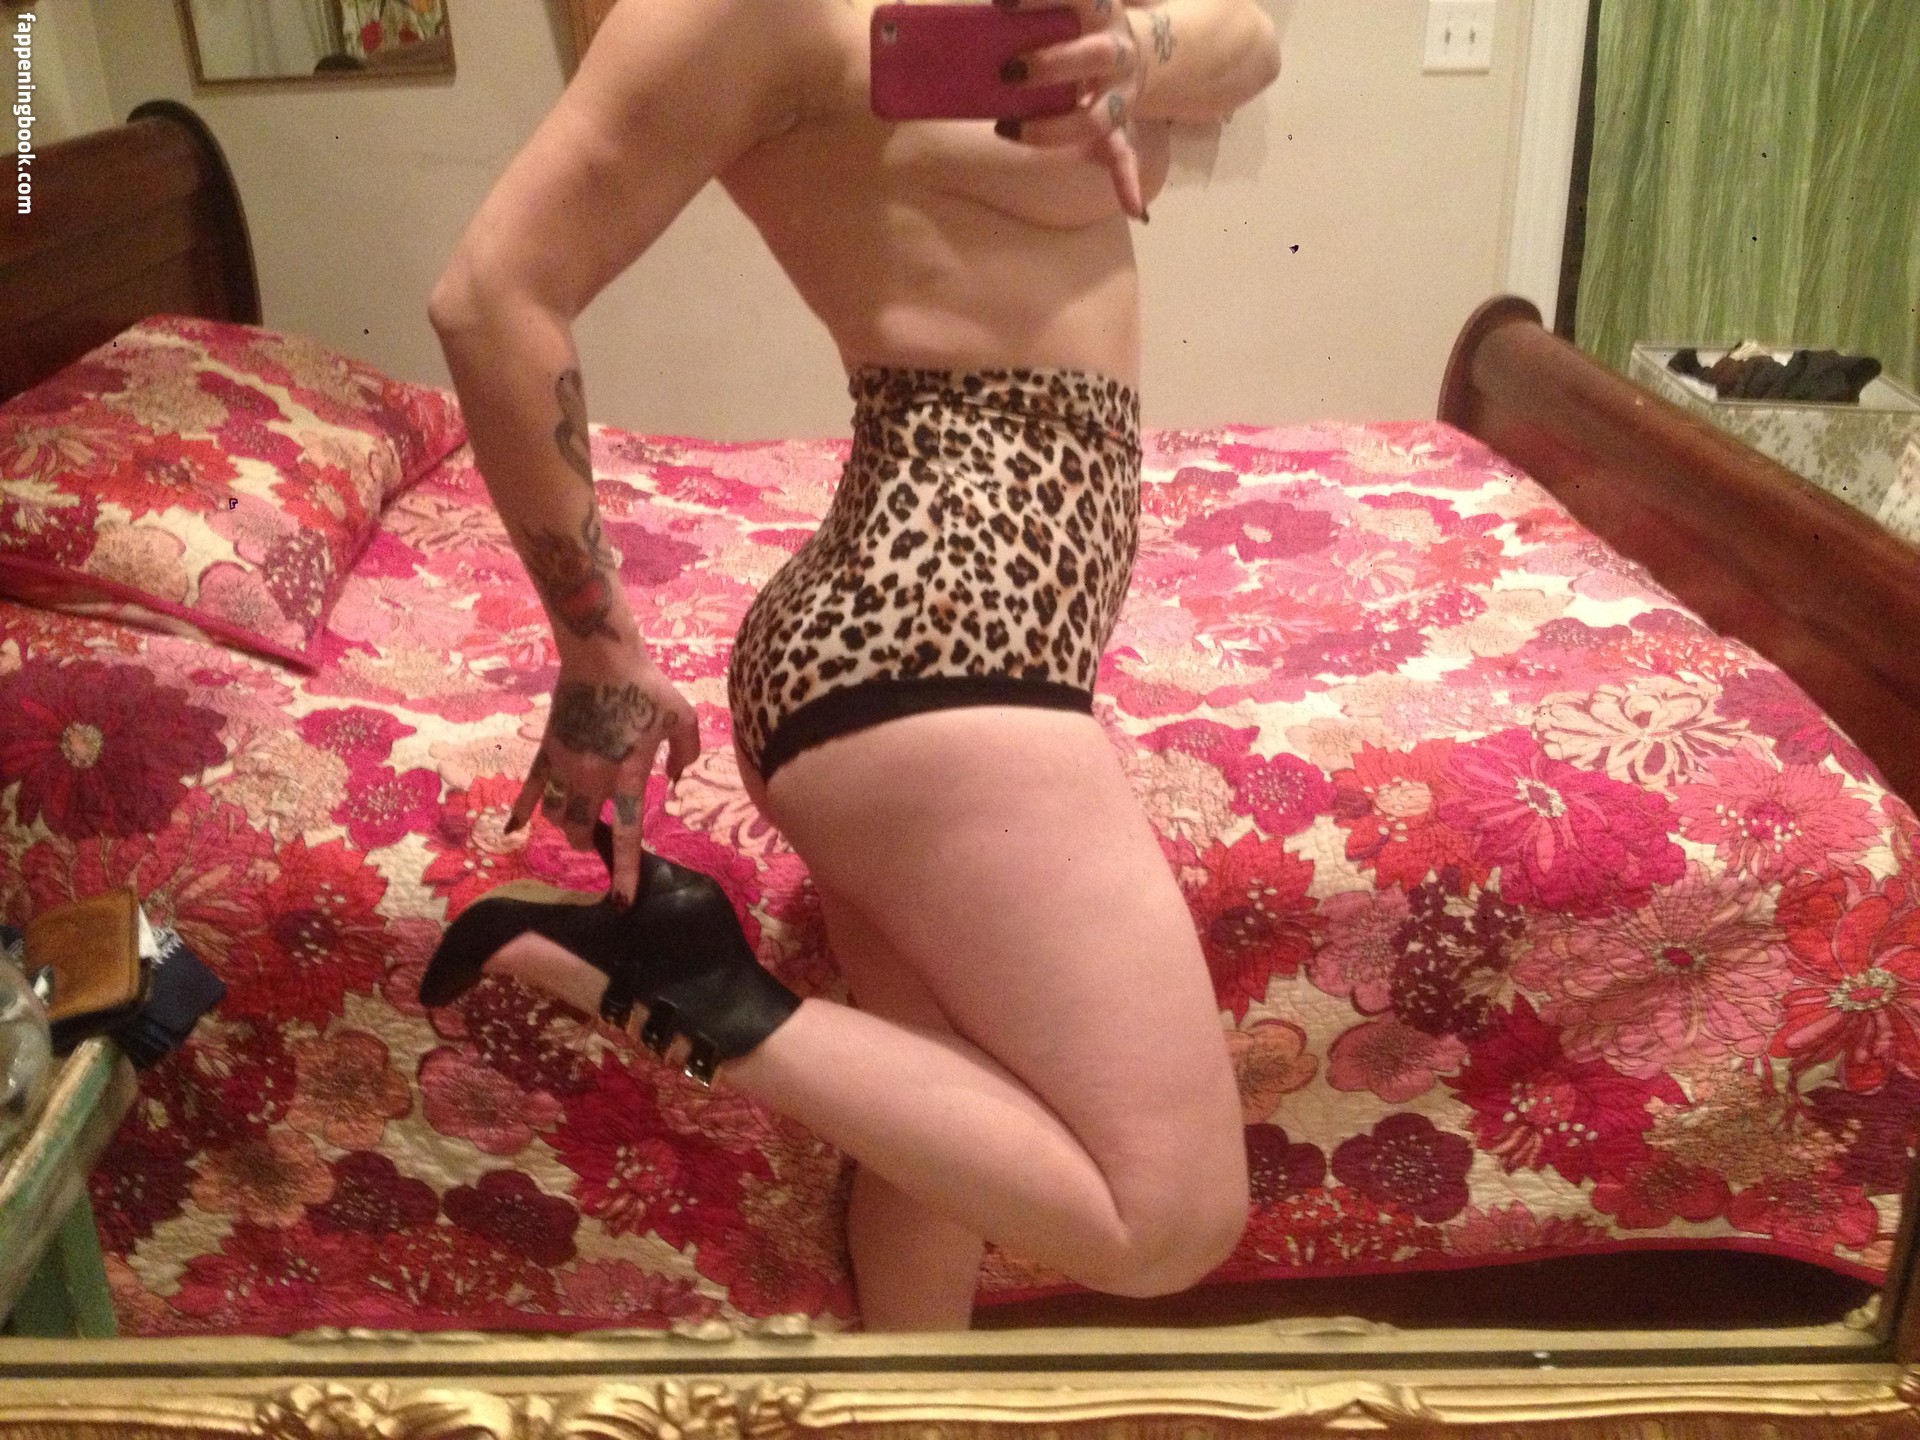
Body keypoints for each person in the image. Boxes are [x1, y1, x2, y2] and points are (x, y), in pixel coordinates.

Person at [425, 0, 1281, 1332]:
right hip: (935, 637)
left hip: (962, 646)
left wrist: (1138, 52)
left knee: (936, 1099)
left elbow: (1251, 43)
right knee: (1168, 1215)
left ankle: (908, 1399)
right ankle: (676, 980)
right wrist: (597, 652)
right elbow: (492, 297)